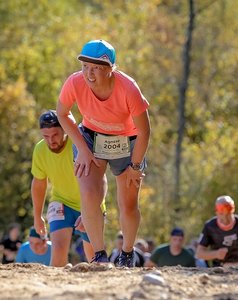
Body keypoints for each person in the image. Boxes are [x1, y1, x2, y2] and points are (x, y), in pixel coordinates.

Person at [56, 39, 151, 267]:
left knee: (128, 203)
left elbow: (145, 131)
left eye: (97, 68)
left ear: (110, 69)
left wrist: (135, 167)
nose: (90, 74)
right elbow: (62, 113)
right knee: (89, 194)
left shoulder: (128, 88)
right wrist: (82, 149)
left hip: (127, 141)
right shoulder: (74, 82)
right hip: (90, 137)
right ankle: (99, 255)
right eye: (85, 67)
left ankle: (127, 253)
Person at [31, 110, 106, 266]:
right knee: (57, 250)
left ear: (65, 129)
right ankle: (54, 289)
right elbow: (39, 183)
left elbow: (101, 180)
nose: (51, 141)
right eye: (46, 136)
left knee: (94, 259)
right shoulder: (40, 150)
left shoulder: (79, 144)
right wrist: (37, 216)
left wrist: (90, 211)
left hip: (89, 203)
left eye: (55, 135)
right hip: (61, 202)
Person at [196, 195, 238, 266]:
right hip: (220, 268)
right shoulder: (210, 227)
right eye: (222, 214)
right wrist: (216, 254)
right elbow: (199, 254)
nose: (225, 218)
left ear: (233, 210)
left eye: (228, 214)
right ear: (216, 212)